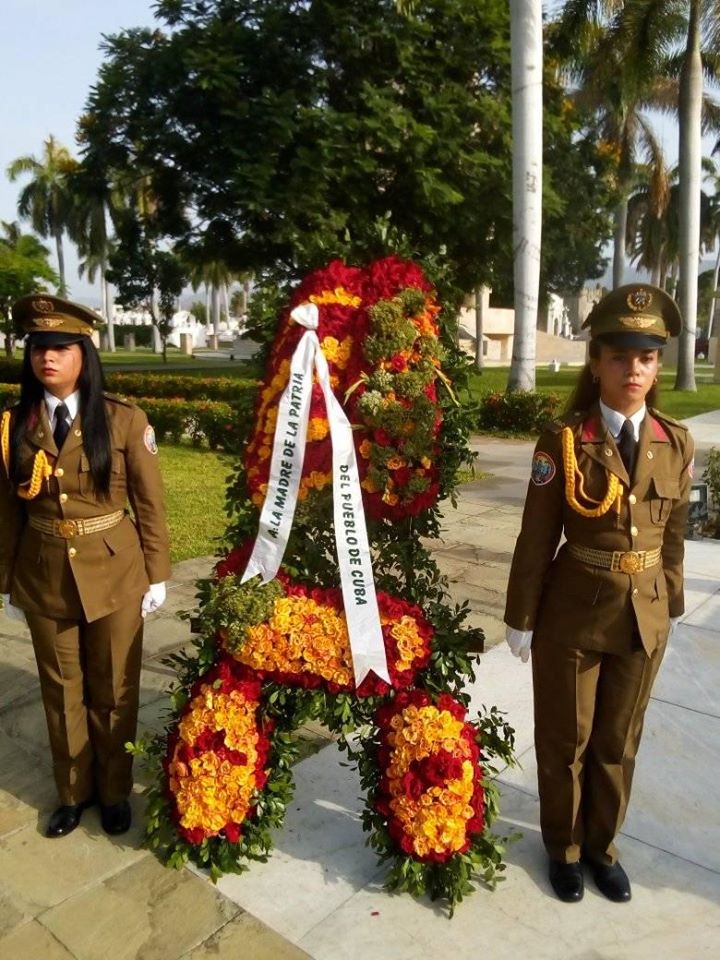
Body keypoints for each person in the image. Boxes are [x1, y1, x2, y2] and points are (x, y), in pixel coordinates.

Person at [504, 284, 693, 903]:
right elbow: (536, 536)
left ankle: (601, 847)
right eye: (620, 356)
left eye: (645, 358)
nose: (633, 370)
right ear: (596, 362)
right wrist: (521, 616)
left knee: (617, 743)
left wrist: (672, 601)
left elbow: (672, 536)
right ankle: (562, 847)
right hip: (573, 615)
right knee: (566, 741)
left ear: (657, 366)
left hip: (644, 617)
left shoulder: (675, 441)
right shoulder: (562, 441)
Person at [0, 294, 171, 838]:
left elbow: (148, 502)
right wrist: (5, 580)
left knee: (115, 687)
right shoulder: (13, 425)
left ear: (84, 353)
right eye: (37, 347)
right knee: (61, 689)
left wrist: (158, 573)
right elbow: (6, 511)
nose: (46, 357)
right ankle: (73, 792)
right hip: (44, 572)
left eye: (60, 347)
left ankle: (115, 790)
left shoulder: (122, 419)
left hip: (117, 573)